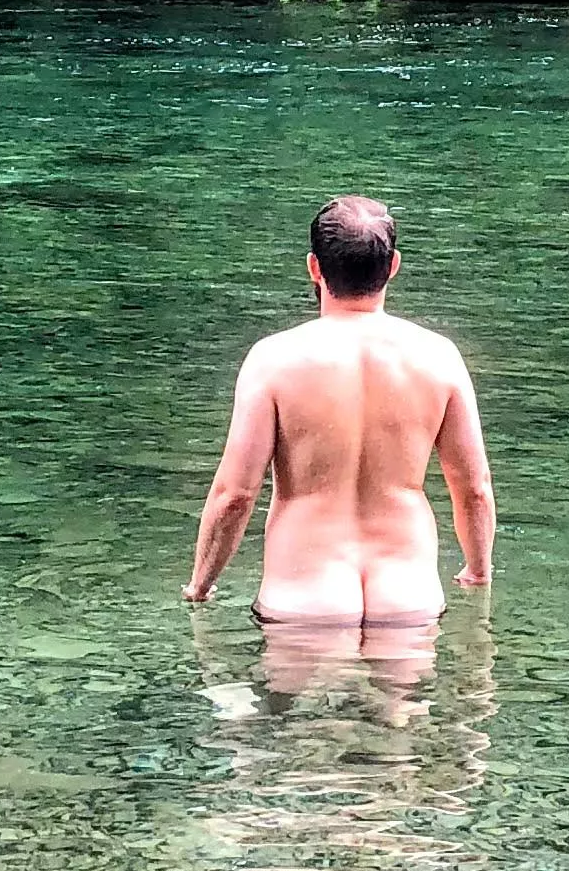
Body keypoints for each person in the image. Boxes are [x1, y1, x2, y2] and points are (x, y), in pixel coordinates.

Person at [185, 195, 495, 627]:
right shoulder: (440, 358)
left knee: (275, 694)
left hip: (304, 604)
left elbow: (236, 495)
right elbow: (473, 487)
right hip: (408, 603)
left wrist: (200, 583)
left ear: (314, 267)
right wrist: (478, 570)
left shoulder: (274, 360)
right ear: (394, 266)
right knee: (406, 697)